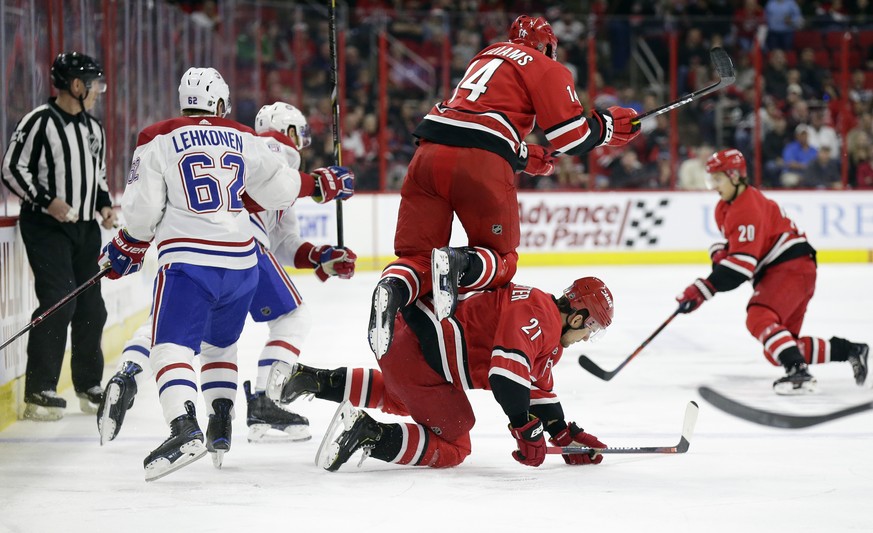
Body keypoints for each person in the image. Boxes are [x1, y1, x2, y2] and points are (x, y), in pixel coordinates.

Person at [98, 67, 354, 481]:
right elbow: (279, 189)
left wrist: (127, 245)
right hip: (242, 264)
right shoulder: (244, 137)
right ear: (220, 105)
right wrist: (318, 184)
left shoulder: (157, 136)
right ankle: (222, 418)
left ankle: (182, 427)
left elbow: (143, 213)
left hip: (189, 259)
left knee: (171, 347)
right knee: (220, 346)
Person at [368, 15, 641, 358]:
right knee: (502, 258)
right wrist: (608, 126)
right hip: (480, 164)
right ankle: (458, 264)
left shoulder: (486, 55)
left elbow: (476, 121)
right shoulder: (545, 66)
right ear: (548, 46)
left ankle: (392, 288)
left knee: (417, 257)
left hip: (427, 154)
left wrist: (524, 156)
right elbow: (571, 137)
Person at [269, 276, 613, 472]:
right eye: (590, 329)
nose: (586, 338)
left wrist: (563, 435)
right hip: (421, 352)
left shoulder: (546, 324)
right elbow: (505, 376)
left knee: (405, 398)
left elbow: (536, 389)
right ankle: (368, 433)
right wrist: (523, 427)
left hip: (406, 341)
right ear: (579, 317)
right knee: (457, 441)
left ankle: (312, 378)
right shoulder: (542, 319)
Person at [675, 149, 869, 395]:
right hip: (791, 270)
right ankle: (851, 350)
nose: (714, 186)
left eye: (718, 179)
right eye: (711, 179)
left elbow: (741, 267)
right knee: (778, 347)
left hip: (790, 268)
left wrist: (703, 289)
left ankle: (799, 372)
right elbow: (740, 253)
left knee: (758, 317)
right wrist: (719, 255)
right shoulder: (724, 209)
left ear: (735, 176)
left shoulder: (747, 207)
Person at [1, 51, 117, 421]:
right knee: (59, 301)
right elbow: (11, 168)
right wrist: (46, 201)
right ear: (76, 85)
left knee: (92, 308)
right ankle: (39, 390)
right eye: (94, 82)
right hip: (47, 227)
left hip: (85, 229)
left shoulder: (93, 128)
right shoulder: (38, 121)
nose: (99, 90)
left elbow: (97, 176)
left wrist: (105, 206)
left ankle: (88, 385)